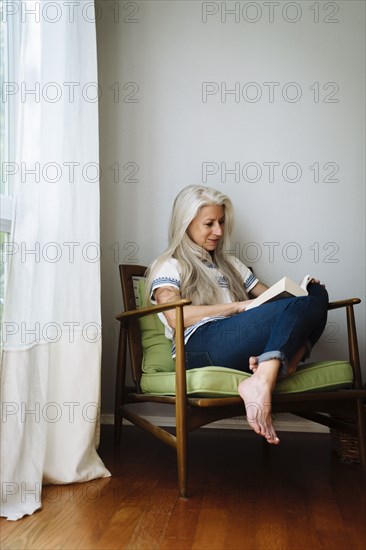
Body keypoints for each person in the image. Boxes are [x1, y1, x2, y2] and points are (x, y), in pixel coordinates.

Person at [145, 185, 328, 445]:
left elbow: (274, 298)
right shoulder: (169, 264)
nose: (219, 231)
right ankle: (274, 369)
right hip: (198, 346)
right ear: (185, 225)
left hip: (237, 341)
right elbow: (176, 317)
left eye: (221, 222)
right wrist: (239, 306)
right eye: (209, 224)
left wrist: (303, 295)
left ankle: (276, 369)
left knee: (316, 293)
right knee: (302, 306)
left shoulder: (231, 264)